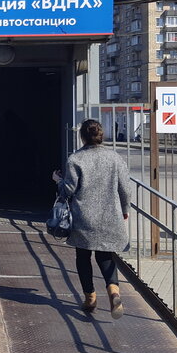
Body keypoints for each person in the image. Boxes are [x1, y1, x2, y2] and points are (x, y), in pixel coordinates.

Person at [51, 119, 132, 319]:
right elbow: (125, 188)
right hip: (110, 215)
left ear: (82, 137)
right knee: (105, 255)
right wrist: (125, 209)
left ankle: (90, 298)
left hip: (84, 218)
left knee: (83, 257)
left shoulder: (75, 159)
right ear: (101, 135)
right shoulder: (115, 158)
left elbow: (68, 190)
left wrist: (57, 180)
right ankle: (114, 291)